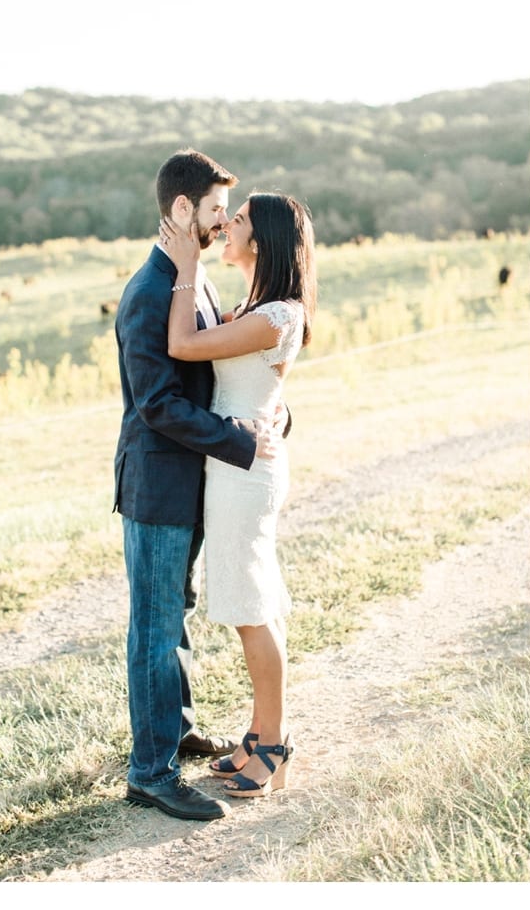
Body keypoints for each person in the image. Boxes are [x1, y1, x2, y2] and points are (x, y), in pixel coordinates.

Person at [112, 148, 280, 822]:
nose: (219, 223)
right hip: (158, 486)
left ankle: (173, 732)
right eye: (214, 210)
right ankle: (150, 771)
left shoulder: (190, 279)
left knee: (170, 617)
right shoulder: (150, 291)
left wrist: (267, 414)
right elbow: (157, 404)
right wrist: (240, 442)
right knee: (155, 628)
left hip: (189, 483)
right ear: (182, 209)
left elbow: (213, 375)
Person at [160, 190, 315, 798]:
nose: (227, 224)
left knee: (251, 609)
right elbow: (256, 390)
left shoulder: (276, 314)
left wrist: (186, 267)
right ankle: (258, 734)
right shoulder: (258, 305)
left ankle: (274, 746)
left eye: (240, 220)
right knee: (255, 602)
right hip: (237, 463)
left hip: (245, 474)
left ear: (263, 240)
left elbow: (181, 346)